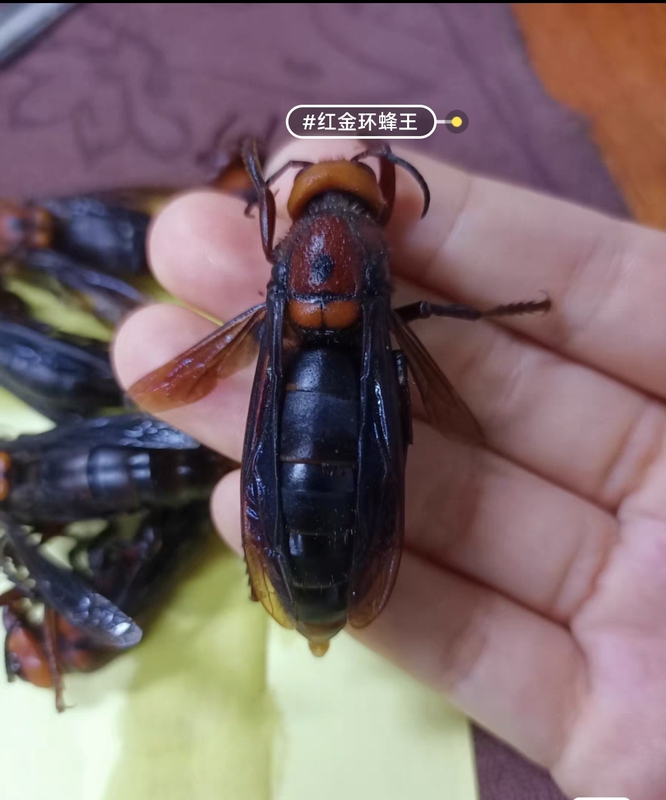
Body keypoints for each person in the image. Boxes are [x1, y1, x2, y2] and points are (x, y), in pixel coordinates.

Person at [114, 139, 666, 800]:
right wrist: (488, 316)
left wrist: (264, 185)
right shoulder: (369, 255)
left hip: (296, 397)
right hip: (356, 382)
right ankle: (305, 581)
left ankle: (288, 577)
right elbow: (423, 313)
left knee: (268, 450)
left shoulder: (287, 254)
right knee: (375, 422)